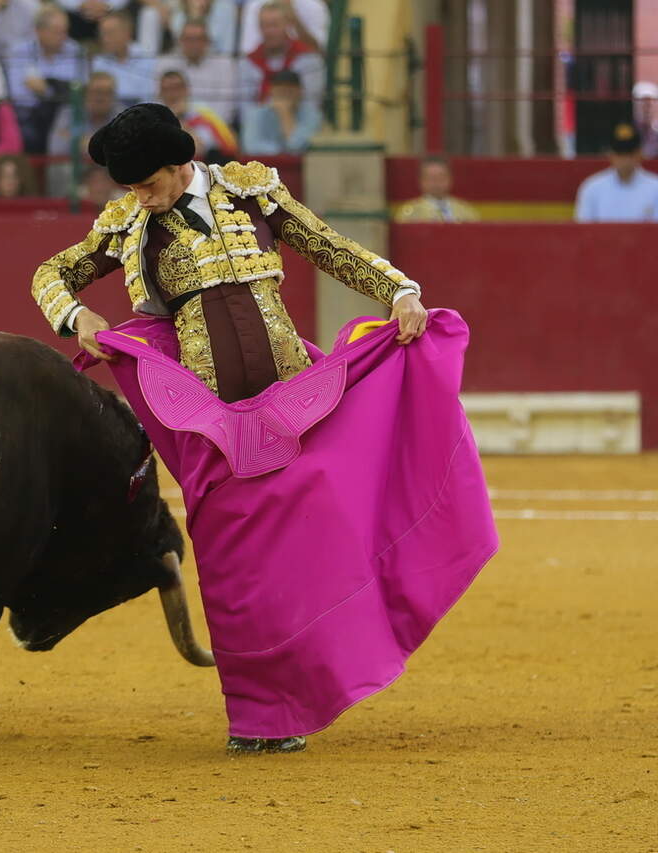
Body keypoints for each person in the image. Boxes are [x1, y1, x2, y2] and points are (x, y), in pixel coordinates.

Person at [31, 104, 495, 755]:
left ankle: (319, 679)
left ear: (177, 164)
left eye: (147, 183)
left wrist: (400, 291)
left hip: (295, 403)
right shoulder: (129, 224)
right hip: (213, 424)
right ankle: (258, 713)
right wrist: (75, 316)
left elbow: (327, 244)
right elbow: (51, 274)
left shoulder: (251, 192)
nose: (140, 196)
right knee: (233, 563)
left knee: (318, 545)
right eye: (131, 188)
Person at [4, 5, 78, 154]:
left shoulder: (75, 50)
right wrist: (55, 89)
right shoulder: (19, 51)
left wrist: (45, 89)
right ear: (39, 31)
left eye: (65, 31)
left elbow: (77, 89)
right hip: (30, 114)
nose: (63, 36)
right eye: (57, 32)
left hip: (65, 113)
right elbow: (19, 95)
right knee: (27, 135)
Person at [237, 1, 324, 115]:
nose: (269, 31)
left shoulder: (308, 59)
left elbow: (311, 107)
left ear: (287, 25)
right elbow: (245, 111)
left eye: (274, 25)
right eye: (264, 26)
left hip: (298, 126)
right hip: (258, 128)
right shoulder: (248, 63)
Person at [575, 121, 658, 223]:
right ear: (610, 154)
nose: (625, 159)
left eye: (629, 153)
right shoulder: (592, 188)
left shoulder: (655, 188)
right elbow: (583, 231)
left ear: (639, 153)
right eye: (620, 153)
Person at [155, 21, 236, 125]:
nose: (194, 44)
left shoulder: (224, 64)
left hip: (212, 131)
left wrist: (200, 134)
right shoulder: (165, 63)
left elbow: (225, 109)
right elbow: (158, 101)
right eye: (188, 39)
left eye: (199, 39)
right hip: (172, 128)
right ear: (180, 41)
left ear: (208, 41)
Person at [157, 69, 237, 162]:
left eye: (177, 88)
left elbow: (198, 149)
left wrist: (176, 118)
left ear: (187, 90)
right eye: (167, 89)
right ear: (160, 93)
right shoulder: (153, 115)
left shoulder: (201, 112)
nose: (173, 94)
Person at [239, 69, 319, 155]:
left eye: (290, 90)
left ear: (300, 91)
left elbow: (297, 145)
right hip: (265, 165)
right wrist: (282, 151)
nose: (285, 93)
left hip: (301, 166)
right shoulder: (257, 113)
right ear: (271, 90)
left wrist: (285, 114)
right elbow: (252, 147)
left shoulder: (311, 114)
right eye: (281, 89)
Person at [45, 69, 119, 158]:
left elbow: (128, 150)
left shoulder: (122, 115)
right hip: (77, 169)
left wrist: (82, 142)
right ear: (86, 94)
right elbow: (56, 149)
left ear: (114, 96)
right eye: (96, 92)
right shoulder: (69, 113)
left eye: (107, 93)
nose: (100, 98)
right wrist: (106, 145)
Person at [89, 12, 153, 107]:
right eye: (102, 34)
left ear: (127, 33)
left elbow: (150, 94)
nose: (105, 39)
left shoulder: (146, 57)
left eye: (110, 33)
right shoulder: (98, 62)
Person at [395, 157, 480, 224]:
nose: (436, 182)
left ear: (450, 179)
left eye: (441, 177)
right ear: (421, 181)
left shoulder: (466, 211)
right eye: (431, 178)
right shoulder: (409, 213)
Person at [238, 0, 328, 55]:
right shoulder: (255, 5)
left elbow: (318, 53)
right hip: (263, 71)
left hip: (300, 74)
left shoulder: (314, 6)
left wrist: (293, 18)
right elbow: (248, 52)